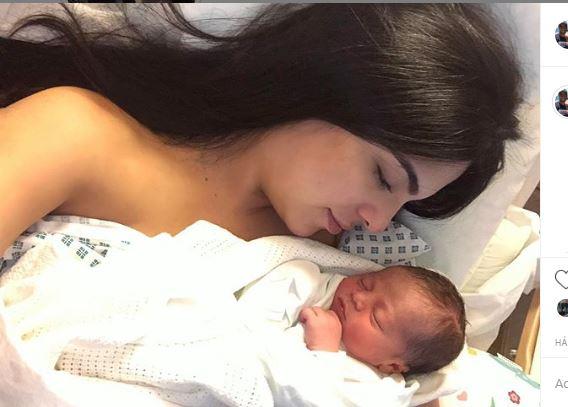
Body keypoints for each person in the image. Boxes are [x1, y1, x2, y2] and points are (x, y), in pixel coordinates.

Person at [0, 4, 522, 253]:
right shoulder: (75, 135)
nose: (379, 223)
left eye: (406, 204)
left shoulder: (327, 257)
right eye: (384, 178)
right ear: (322, 86)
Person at [294, 264, 465, 375]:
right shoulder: (319, 284)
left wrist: (324, 351)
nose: (358, 297)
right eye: (365, 283)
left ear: (392, 366)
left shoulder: (377, 389)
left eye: (375, 317)